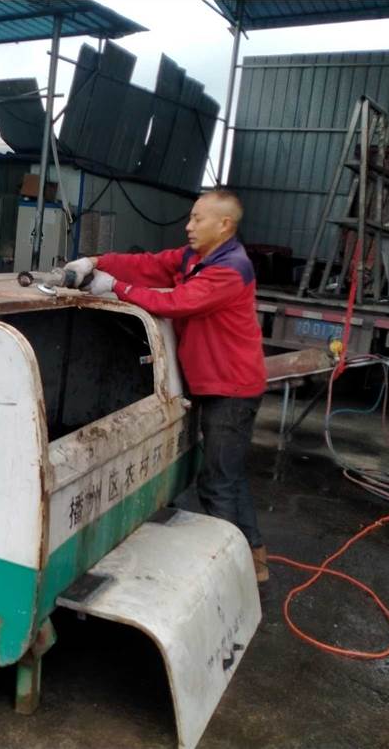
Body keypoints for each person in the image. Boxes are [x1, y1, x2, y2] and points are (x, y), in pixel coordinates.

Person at [64, 189, 269, 582]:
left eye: (198, 219)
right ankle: (254, 560)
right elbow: (149, 265)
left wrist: (116, 287)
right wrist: (96, 262)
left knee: (217, 485)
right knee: (227, 475)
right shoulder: (195, 256)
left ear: (224, 225)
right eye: (190, 218)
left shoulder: (230, 269)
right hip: (217, 382)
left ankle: (231, 576)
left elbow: (177, 303)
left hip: (231, 389)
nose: (189, 226)